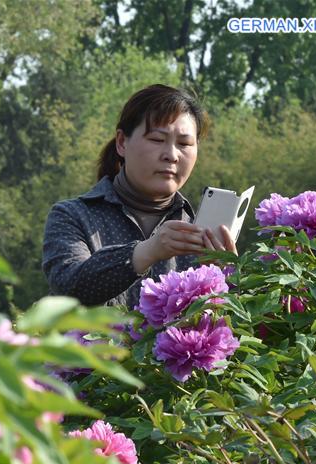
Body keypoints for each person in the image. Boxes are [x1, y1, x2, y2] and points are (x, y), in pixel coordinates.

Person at [42, 84, 236, 309]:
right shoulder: (72, 216)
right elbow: (67, 289)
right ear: (122, 143)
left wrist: (227, 279)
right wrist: (147, 251)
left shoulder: (200, 233)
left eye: (184, 144)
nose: (171, 155)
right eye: (156, 139)